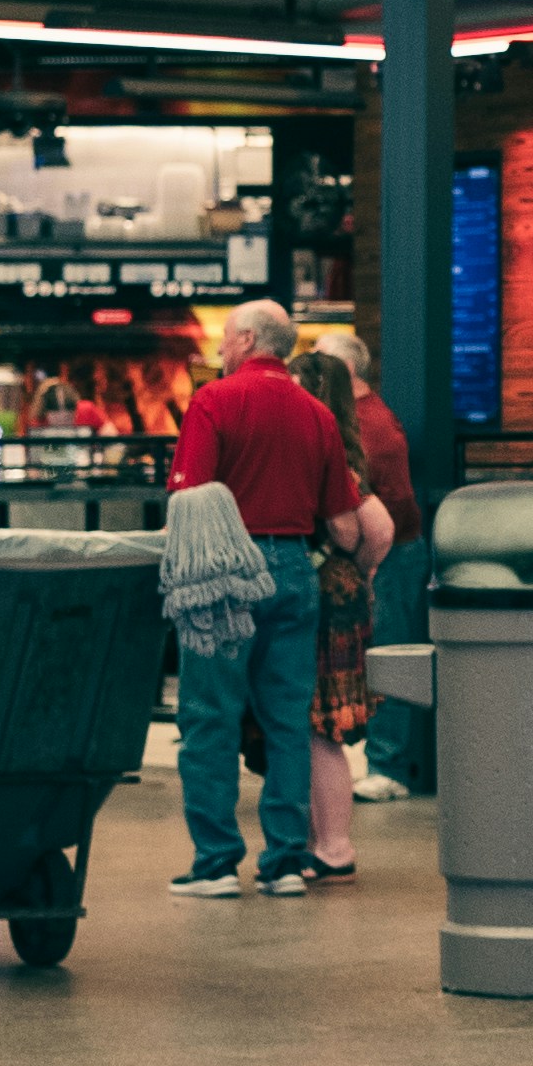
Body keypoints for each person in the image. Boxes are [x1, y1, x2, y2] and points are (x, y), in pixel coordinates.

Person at [166, 299, 359, 896]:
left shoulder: (214, 401)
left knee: (209, 718)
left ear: (248, 339)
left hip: (224, 573)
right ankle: (284, 863)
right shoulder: (317, 414)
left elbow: (189, 496)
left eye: (227, 338)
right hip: (296, 569)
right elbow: (343, 517)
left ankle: (217, 863)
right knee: (287, 723)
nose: (221, 348)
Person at [295, 347, 395, 879]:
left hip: (324, 598)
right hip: (344, 596)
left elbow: (362, 527)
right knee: (320, 726)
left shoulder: (324, 450)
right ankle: (323, 843)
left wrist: (343, 560)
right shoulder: (346, 446)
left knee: (318, 726)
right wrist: (362, 570)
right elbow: (375, 533)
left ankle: (332, 847)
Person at [319, 334, 427, 803]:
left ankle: (389, 767)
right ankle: (385, 761)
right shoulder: (358, 418)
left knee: (389, 656)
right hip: (390, 552)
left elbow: (395, 508)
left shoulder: (370, 427)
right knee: (383, 654)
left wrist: (369, 564)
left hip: (393, 555)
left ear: (344, 371)